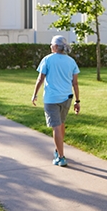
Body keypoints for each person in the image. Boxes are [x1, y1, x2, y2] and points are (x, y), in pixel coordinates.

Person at [31, 35, 80, 167]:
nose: (50, 46)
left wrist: (34, 94)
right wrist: (77, 101)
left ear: (56, 46)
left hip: (51, 99)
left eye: (51, 44)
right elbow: (75, 83)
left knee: (56, 127)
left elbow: (40, 79)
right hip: (67, 98)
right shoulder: (71, 61)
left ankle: (61, 157)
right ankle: (58, 150)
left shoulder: (47, 59)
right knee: (61, 123)